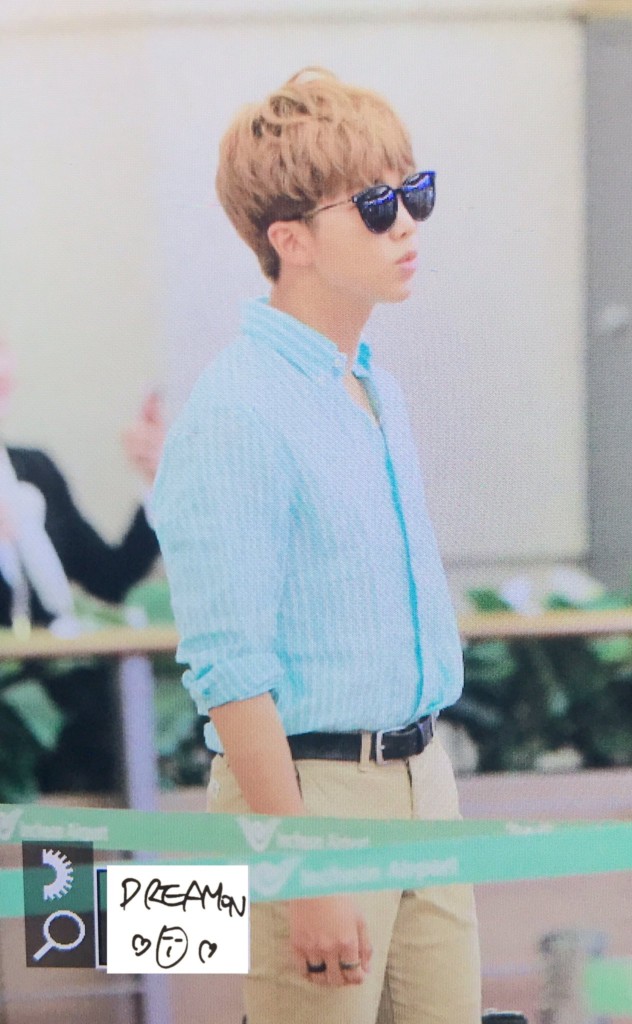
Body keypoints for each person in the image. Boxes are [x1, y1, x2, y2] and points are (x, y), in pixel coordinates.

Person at [153, 68, 481, 1024]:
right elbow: (228, 667)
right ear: (288, 240)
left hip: (424, 780)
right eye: (375, 206)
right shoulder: (238, 409)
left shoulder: (373, 387)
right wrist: (298, 866)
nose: (406, 224)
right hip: (311, 798)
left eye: (414, 193)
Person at [0, 338, 164, 790]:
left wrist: (155, 481)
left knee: (124, 709)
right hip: (12, 697)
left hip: (63, 676)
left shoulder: (34, 471)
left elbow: (109, 578)